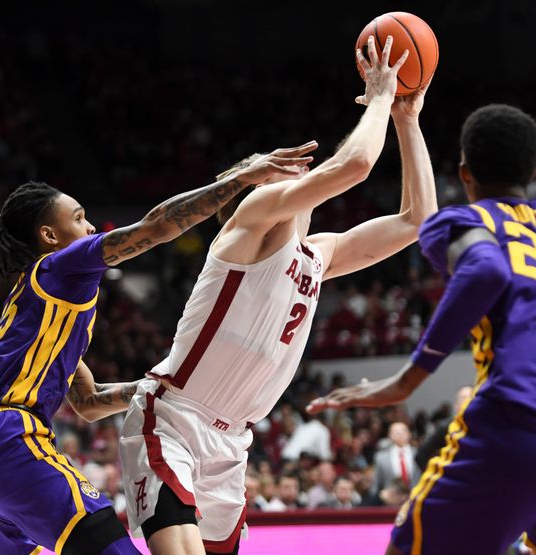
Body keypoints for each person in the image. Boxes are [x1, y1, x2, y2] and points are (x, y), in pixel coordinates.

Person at [119, 35, 437, 555]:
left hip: (233, 442)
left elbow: (419, 220)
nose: (297, 163)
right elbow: (353, 166)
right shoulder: (251, 222)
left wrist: (406, 117)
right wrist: (380, 93)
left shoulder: (319, 254)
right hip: (174, 419)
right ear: (255, 186)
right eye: (278, 163)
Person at [307, 103, 536, 554]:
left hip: (515, 433)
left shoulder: (463, 221)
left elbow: (485, 273)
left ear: (465, 174)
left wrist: (408, 380)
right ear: (534, 170)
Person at [0, 146, 313, 555]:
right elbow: (156, 227)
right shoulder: (61, 266)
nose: (89, 228)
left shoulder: (38, 309)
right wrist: (242, 180)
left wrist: (162, 389)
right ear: (49, 236)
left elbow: (88, 401)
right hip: (7, 438)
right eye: (79, 218)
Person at [371, 422, 420, 497]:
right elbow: (377, 482)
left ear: (409, 434)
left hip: (416, 497)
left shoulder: (418, 453)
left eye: (403, 431)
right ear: (390, 435)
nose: (400, 435)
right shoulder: (381, 457)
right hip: (391, 501)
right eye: (396, 432)